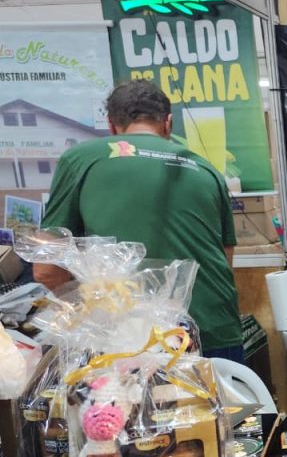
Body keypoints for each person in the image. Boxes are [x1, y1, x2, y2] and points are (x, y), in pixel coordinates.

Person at [34, 79, 244, 361]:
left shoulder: (82, 159)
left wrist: (92, 315)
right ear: (168, 124)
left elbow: (46, 269)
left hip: (128, 342)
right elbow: (224, 260)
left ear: (111, 126)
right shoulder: (206, 169)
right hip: (215, 331)